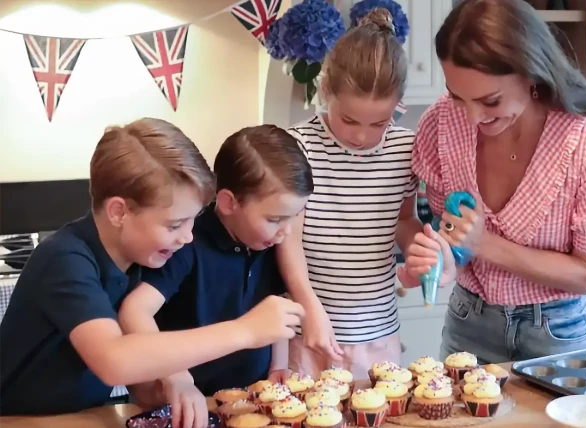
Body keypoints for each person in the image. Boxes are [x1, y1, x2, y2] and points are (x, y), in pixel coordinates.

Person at [0, 119, 304, 417]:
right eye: (174, 224)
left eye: (191, 221)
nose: (187, 237)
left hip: (84, 414)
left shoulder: (138, 262)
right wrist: (245, 330)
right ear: (119, 212)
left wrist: (172, 380)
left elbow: (139, 380)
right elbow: (114, 360)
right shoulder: (64, 259)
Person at [404, 0, 586, 363]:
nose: (473, 117)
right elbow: (453, 239)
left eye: (490, 100)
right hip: (468, 322)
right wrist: (445, 260)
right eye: (458, 96)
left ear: (532, 74)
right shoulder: (440, 123)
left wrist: (484, 244)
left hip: (558, 334)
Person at [277, 8, 452, 379]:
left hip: (378, 335)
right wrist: (309, 307)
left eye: (379, 123)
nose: (361, 136)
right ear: (326, 90)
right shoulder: (298, 147)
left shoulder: (406, 149)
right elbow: (287, 239)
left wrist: (421, 244)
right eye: (349, 120)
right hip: (308, 331)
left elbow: (404, 219)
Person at [118, 125, 314, 428]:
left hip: (251, 401)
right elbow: (134, 310)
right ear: (228, 203)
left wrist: (278, 365)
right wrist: (176, 375)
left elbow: (275, 306)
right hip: (192, 405)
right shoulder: (187, 242)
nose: (286, 231)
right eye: (275, 219)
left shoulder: (267, 242)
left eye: (295, 216)